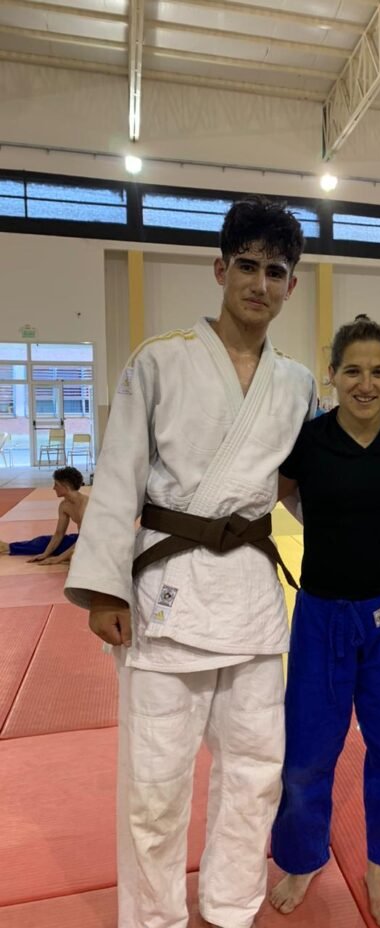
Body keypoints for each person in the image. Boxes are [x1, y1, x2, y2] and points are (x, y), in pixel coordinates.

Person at [64, 196, 316, 928]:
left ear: (291, 285)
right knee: (155, 786)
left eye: (276, 271)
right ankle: (155, 919)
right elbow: (118, 475)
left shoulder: (297, 382)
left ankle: (232, 907)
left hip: (251, 597)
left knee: (255, 773)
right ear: (219, 269)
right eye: (247, 265)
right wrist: (104, 589)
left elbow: (310, 486)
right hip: (166, 592)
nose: (260, 283)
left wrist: (373, 519)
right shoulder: (160, 359)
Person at [269, 316, 380, 928]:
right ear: (332, 374)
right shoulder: (309, 440)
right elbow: (273, 496)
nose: (365, 384)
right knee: (306, 754)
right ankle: (302, 858)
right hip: (321, 615)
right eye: (352, 371)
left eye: (378, 372)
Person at [0, 465, 86, 564]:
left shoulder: (85, 506)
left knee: (77, 555)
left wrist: (58, 559)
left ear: (65, 486)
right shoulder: (64, 505)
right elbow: (59, 533)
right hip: (80, 539)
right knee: (44, 541)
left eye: (56, 484)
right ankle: (7, 547)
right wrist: (45, 554)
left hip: (93, 542)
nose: (54, 488)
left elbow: (85, 540)